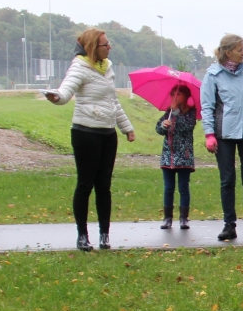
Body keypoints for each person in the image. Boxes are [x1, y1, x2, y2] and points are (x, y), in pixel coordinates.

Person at [46, 29, 135, 251]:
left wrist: (127, 128)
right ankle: (82, 235)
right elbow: (66, 91)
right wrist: (56, 97)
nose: (109, 47)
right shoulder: (80, 66)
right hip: (85, 132)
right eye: (105, 44)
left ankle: (104, 234)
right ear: (94, 47)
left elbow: (112, 101)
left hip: (107, 133)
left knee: (104, 186)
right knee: (85, 184)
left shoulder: (108, 68)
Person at [200, 33, 243, 242]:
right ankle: (229, 225)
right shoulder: (213, 76)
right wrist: (209, 134)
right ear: (228, 52)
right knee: (227, 180)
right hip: (224, 134)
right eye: (240, 49)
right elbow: (207, 107)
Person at [156, 82, 198, 230]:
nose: (174, 97)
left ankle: (184, 218)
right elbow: (159, 129)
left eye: (178, 94)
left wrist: (176, 115)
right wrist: (163, 126)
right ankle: (167, 218)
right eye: (172, 94)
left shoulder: (190, 113)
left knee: (183, 187)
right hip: (168, 157)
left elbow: (187, 127)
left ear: (185, 97)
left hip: (184, 157)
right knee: (168, 187)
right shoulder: (167, 112)